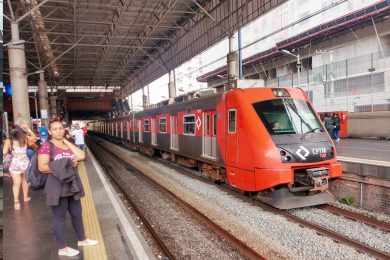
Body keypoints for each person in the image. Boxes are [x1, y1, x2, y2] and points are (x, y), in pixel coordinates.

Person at [38, 118, 98, 257]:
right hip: (57, 186)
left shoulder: (67, 143)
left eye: (60, 128)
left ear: (64, 129)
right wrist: (66, 165)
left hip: (72, 185)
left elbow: (82, 155)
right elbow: (42, 167)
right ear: (49, 131)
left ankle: (82, 239)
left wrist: (65, 141)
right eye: (55, 129)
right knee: (59, 217)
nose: (58, 131)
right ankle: (62, 248)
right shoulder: (47, 146)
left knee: (77, 213)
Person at [3, 127, 32, 210]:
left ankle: (16, 202)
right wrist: (28, 129)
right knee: (25, 181)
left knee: (16, 183)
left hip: (15, 164)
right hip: (25, 163)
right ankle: (25, 197)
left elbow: (4, 152)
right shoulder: (25, 139)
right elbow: (34, 140)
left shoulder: (9, 140)